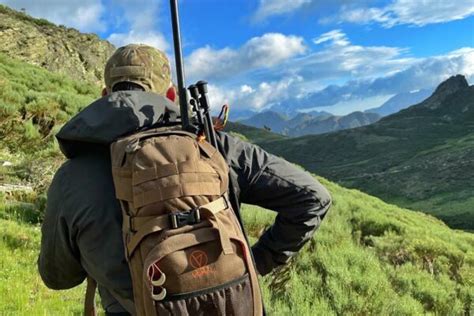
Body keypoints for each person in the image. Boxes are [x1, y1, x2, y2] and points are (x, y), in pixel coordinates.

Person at [38, 44, 332, 315]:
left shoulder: (72, 176)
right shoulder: (214, 147)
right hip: (231, 305)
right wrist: (253, 265)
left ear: (106, 96)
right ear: (169, 96)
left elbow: (58, 277)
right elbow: (312, 197)